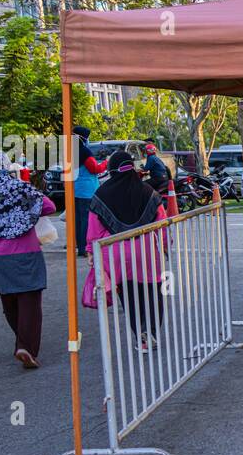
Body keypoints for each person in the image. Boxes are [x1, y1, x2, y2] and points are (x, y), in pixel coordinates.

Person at [0, 157, 58, 369]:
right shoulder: (20, 188)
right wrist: (25, 218)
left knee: (8, 295)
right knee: (30, 298)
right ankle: (26, 346)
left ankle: (21, 337)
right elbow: (49, 206)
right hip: (26, 250)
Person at [86, 150, 170, 353]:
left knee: (130, 296)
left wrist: (90, 251)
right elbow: (162, 222)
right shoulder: (149, 192)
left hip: (116, 256)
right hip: (147, 252)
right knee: (153, 293)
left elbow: (94, 229)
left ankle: (141, 337)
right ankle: (151, 331)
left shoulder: (101, 194)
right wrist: (165, 245)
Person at [71, 125, 107, 257]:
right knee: (86, 219)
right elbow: (94, 169)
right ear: (83, 138)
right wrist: (106, 163)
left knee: (78, 220)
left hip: (74, 190)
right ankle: (85, 248)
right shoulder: (84, 151)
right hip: (86, 190)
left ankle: (80, 247)